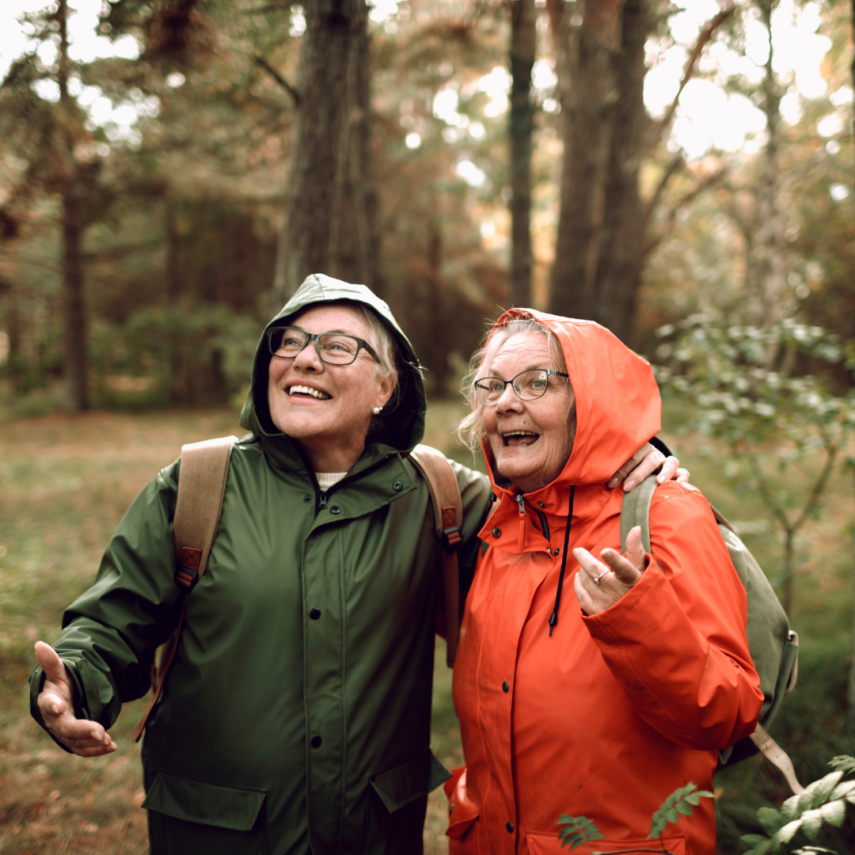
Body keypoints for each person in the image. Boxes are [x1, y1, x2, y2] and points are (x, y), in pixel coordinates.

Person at [29, 275, 683, 855]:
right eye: (287, 342)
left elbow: (553, 496)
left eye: (337, 346)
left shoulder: (440, 495)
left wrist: (633, 452)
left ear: (384, 386)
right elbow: (113, 620)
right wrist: (73, 682)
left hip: (373, 830)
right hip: (217, 830)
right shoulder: (199, 483)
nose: (304, 358)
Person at [447, 309, 764, 855]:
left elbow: (731, 709)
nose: (504, 402)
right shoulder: (495, 528)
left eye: (536, 381)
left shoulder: (665, 515)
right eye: (492, 385)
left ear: (590, 401)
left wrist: (636, 620)